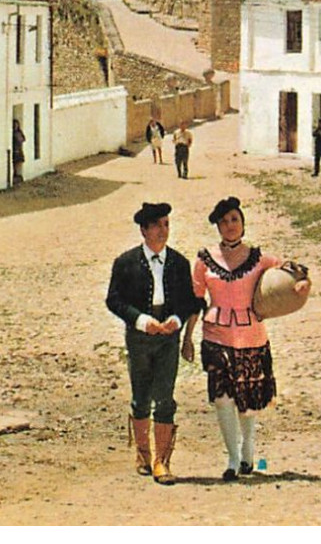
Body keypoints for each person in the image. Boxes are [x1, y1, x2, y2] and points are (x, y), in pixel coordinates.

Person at [182, 197, 309, 482]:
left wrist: (300, 286)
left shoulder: (260, 258)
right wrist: (187, 338)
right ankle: (232, 457)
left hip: (252, 337)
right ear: (217, 226)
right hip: (215, 336)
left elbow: (294, 272)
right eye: (224, 221)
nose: (230, 226)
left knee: (248, 397)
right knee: (222, 397)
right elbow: (195, 301)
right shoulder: (203, 260)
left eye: (234, 220)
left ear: (243, 223)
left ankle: (248, 449)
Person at [105, 202, 203, 485]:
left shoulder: (179, 263)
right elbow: (114, 300)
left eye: (167, 224)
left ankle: (162, 461)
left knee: (165, 397)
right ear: (143, 230)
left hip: (168, 339)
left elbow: (190, 301)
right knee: (140, 398)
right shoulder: (125, 263)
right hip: (139, 337)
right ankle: (143, 454)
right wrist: (140, 320)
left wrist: (176, 318)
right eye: (158, 225)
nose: (163, 230)